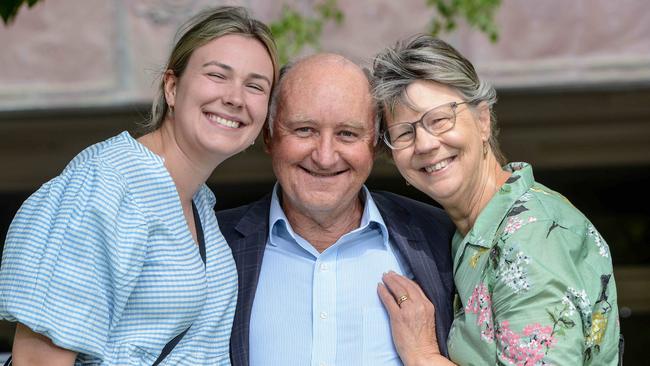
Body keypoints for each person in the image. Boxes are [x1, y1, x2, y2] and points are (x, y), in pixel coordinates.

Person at [0, 6, 278, 365]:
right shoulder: (106, 186)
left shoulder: (199, 205)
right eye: (217, 75)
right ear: (172, 87)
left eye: (255, 86)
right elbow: (36, 361)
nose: (235, 98)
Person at [372, 34, 621, 365]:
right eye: (405, 133)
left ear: (483, 121)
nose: (425, 144)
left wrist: (421, 355)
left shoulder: (530, 234)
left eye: (439, 120)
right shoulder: (472, 233)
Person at [215, 53, 456, 366]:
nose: (325, 157)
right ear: (269, 136)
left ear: (375, 144)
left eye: (347, 133)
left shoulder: (441, 237)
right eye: (304, 130)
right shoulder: (211, 242)